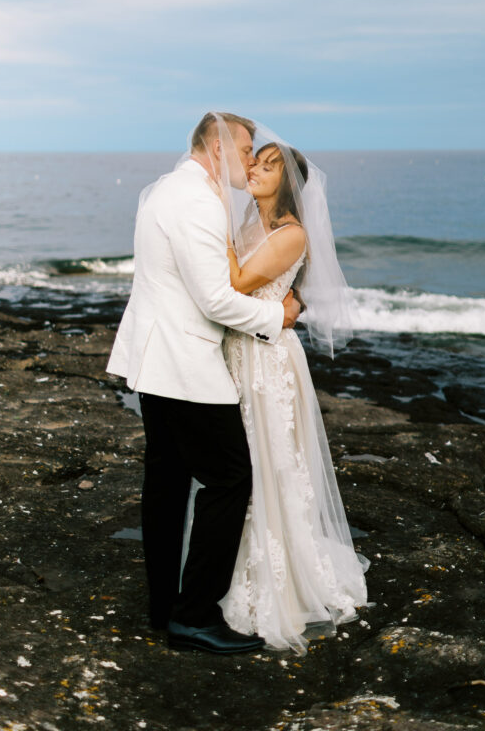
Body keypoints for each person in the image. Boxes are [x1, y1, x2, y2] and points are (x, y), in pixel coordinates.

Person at [106, 112, 300, 655]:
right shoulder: (194, 200)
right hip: (183, 363)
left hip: (156, 359)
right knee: (231, 478)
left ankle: (164, 605)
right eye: (244, 149)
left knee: (167, 484)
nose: (250, 160)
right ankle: (195, 616)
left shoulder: (170, 189)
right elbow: (213, 297)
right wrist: (276, 319)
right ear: (216, 146)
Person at [218, 136, 369, 654]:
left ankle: (281, 582)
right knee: (242, 465)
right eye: (254, 162)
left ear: (288, 183)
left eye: (268, 166)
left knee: (271, 465)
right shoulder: (248, 222)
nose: (255, 170)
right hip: (241, 353)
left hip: (268, 362)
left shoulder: (289, 233)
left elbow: (234, 282)